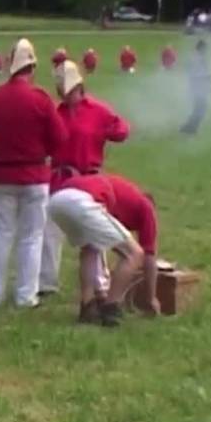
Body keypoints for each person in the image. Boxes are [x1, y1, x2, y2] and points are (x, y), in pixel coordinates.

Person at [0, 38, 68, 308]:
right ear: (31, 67)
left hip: (3, 176)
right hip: (34, 177)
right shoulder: (40, 99)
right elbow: (60, 138)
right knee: (32, 238)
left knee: (0, 235)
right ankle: (25, 296)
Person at [40, 60, 129, 298]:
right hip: (59, 177)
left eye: (69, 90)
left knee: (94, 232)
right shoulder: (55, 113)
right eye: (62, 91)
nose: (66, 95)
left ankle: (100, 283)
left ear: (79, 86)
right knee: (49, 230)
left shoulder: (99, 111)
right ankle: (46, 281)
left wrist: (110, 130)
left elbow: (121, 131)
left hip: (89, 179)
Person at [47, 172, 161, 326]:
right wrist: (150, 298)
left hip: (57, 200)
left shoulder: (124, 199)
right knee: (134, 254)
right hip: (82, 201)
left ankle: (88, 307)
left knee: (90, 249)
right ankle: (111, 307)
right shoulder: (146, 207)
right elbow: (148, 256)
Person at [180, 40, 211, 135]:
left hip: (201, 89)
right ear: (201, 48)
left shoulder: (200, 58)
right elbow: (193, 75)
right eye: (205, 48)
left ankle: (188, 128)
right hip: (196, 89)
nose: (206, 50)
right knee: (200, 109)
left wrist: (209, 84)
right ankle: (190, 128)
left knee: (199, 110)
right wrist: (207, 76)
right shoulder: (195, 59)